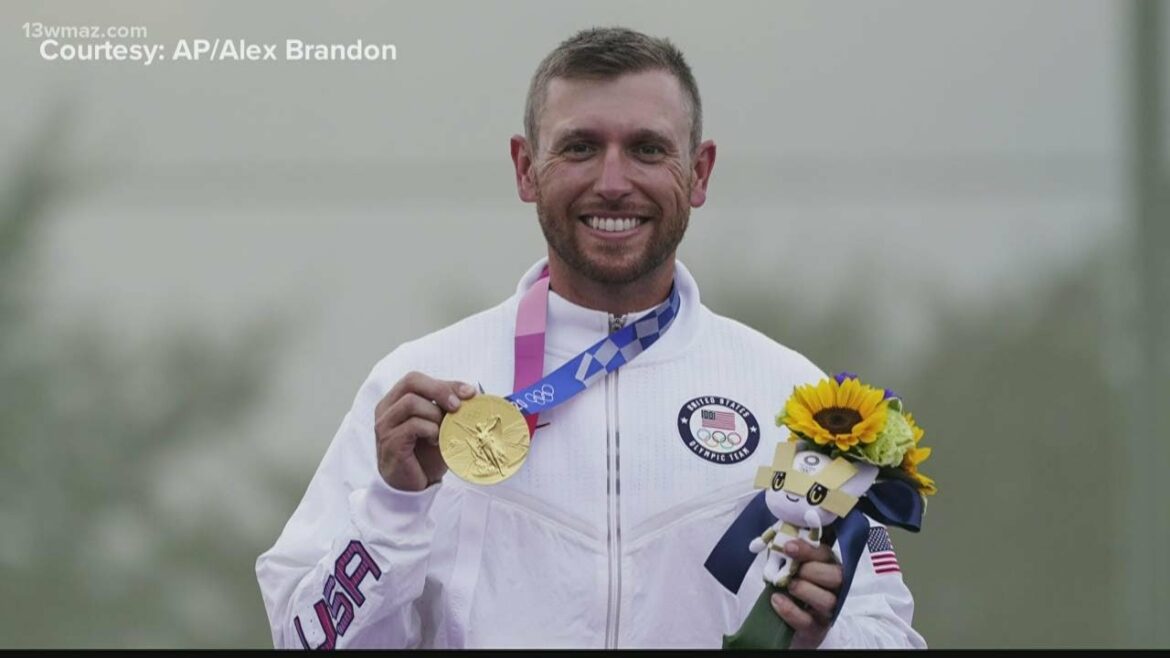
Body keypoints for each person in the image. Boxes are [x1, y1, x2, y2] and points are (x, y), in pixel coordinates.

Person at [255, 26, 926, 649]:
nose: (612, 183)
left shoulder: (798, 401)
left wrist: (822, 637)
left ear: (699, 172)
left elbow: (889, 633)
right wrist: (394, 508)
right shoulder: (419, 387)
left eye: (647, 149)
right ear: (526, 168)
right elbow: (302, 639)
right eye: (579, 147)